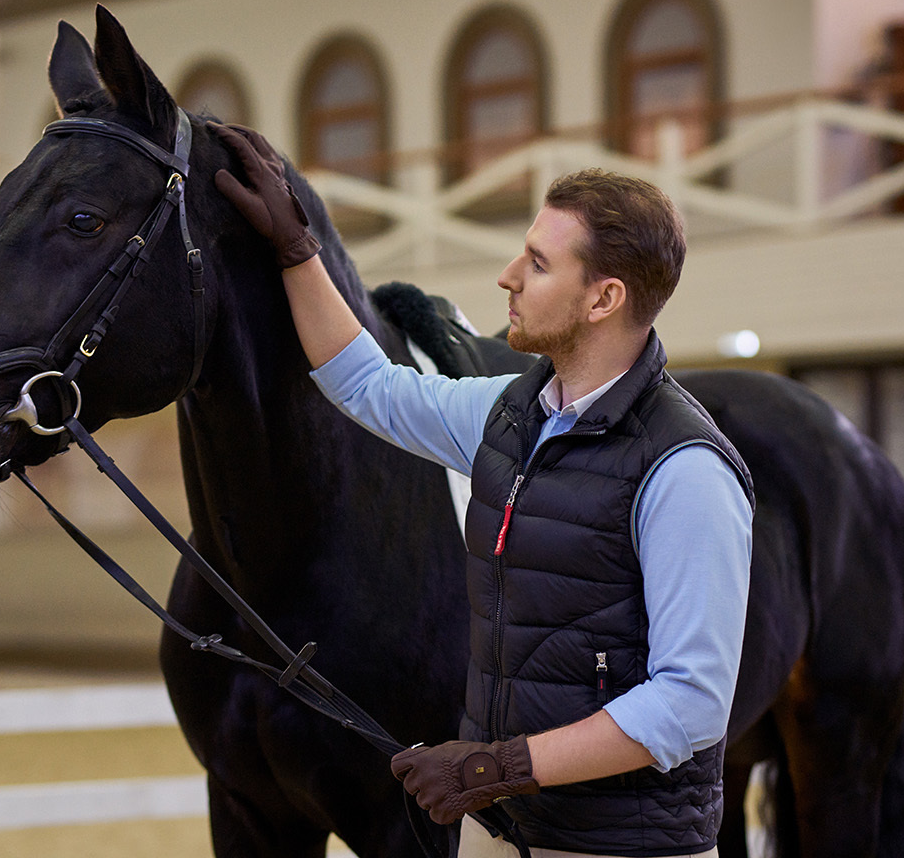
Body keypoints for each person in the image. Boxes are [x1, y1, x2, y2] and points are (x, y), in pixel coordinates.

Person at [211, 122, 754, 858]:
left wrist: (494, 768)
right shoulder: (506, 413)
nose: (507, 276)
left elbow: (691, 706)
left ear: (603, 298)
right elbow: (368, 386)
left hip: (621, 846)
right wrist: (298, 250)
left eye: (537, 263)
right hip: (501, 828)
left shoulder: (686, 470)